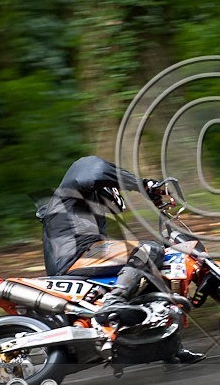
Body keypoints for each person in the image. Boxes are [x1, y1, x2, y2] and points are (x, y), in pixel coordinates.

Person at [41, 156, 204, 364]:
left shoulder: (88, 214)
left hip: (81, 258)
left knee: (151, 272)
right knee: (148, 249)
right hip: (75, 256)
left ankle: (169, 346)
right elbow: (94, 169)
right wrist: (143, 185)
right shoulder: (71, 191)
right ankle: (114, 301)